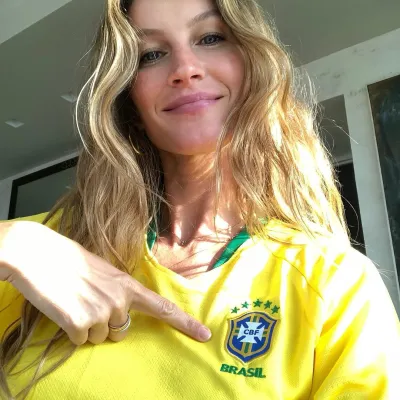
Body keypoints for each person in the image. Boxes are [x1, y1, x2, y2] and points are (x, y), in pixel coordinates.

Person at [0, 0, 399, 398]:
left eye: (210, 38)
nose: (185, 69)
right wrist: (12, 243)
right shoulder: (44, 249)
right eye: (150, 54)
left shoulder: (334, 281)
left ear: (253, 69)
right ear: (129, 101)